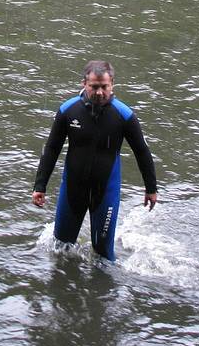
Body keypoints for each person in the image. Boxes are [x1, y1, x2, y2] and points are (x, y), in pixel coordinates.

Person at [32, 60, 158, 261]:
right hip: (73, 189)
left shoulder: (124, 115)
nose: (99, 93)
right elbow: (52, 149)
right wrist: (40, 186)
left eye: (104, 87)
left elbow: (142, 152)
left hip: (106, 191)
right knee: (60, 248)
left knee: (104, 256)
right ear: (84, 84)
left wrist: (151, 188)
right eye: (94, 87)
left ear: (112, 85)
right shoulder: (68, 110)